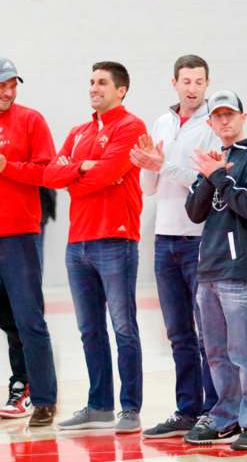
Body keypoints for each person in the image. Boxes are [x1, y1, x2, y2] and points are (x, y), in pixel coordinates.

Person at [43, 61, 147, 433]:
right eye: (90, 81)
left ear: (121, 90)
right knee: (89, 330)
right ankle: (99, 405)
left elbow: (106, 173)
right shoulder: (77, 131)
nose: (94, 87)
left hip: (116, 240)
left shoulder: (131, 126)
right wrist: (81, 170)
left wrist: (81, 172)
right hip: (79, 244)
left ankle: (130, 409)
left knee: (123, 328)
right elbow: (51, 176)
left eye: (102, 82)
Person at [129, 55, 221, 438]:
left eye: (199, 82)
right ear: (174, 83)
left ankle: (215, 411)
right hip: (164, 236)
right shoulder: (162, 122)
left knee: (207, 333)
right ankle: (187, 408)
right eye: (186, 81)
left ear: (206, 84)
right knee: (178, 332)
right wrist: (149, 164)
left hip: (198, 237)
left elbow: (207, 184)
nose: (192, 88)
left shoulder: (214, 125)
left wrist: (163, 164)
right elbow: (148, 188)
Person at [183, 90, 247, 450]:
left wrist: (219, 177)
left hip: (241, 270)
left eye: (230, 115)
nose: (224, 121)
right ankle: (227, 416)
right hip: (209, 268)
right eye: (217, 116)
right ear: (210, 122)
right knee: (217, 352)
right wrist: (209, 176)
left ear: (243, 117)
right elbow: (195, 212)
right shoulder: (214, 159)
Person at [0, 57, 59, 427]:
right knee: (7, 319)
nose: (8, 92)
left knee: (28, 319)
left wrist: (8, 167)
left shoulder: (30, 120)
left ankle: (43, 398)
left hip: (19, 235)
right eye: (2, 86)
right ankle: (20, 384)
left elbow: (47, 172)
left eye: (12, 85)